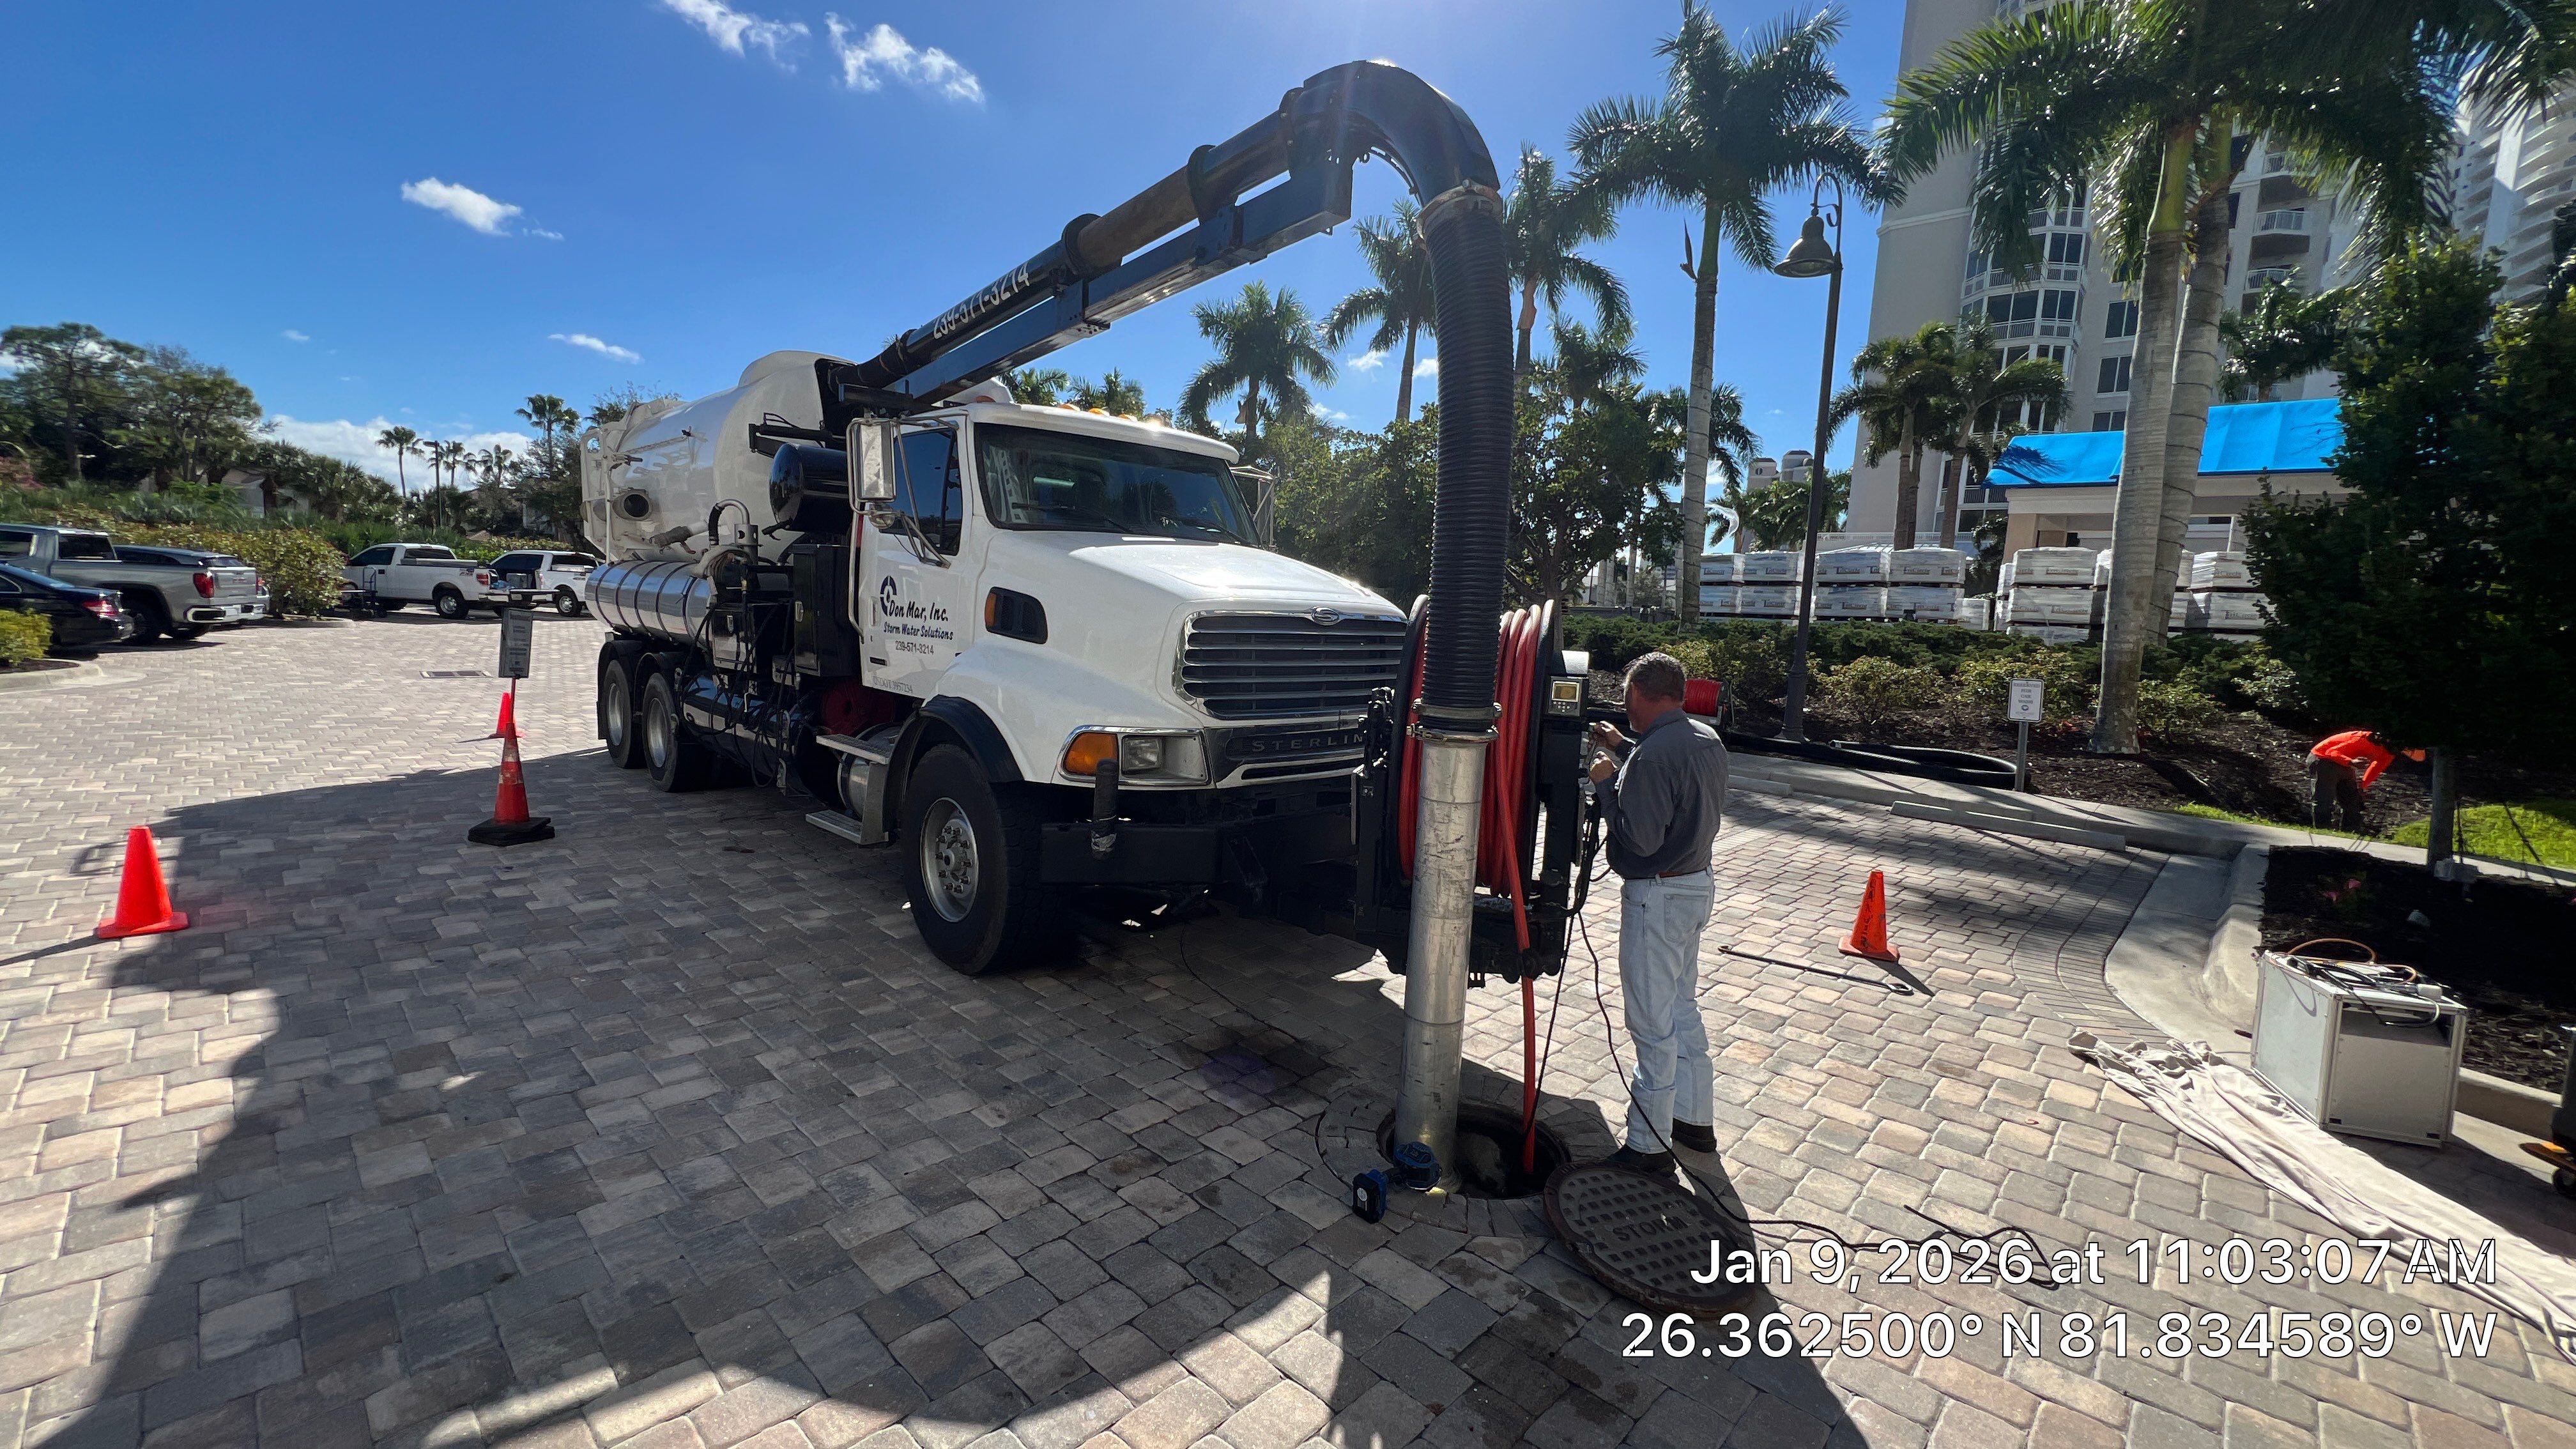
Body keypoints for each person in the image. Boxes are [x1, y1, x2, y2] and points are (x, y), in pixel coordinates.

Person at [1586, 651, 1729, 1177]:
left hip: (1658, 896)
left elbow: (1640, 839)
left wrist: (1605, 784)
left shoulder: (1652, 757)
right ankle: (1695, 1121)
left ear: (1637, 695)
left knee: (1651, 1022)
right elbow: (1664, 777)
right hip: (1696, 886)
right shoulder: (1702, 739)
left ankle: (1648, 1146)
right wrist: (1621, 750)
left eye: (1627, 699)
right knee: (1682, 1006)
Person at [2306, 729, 2423, 831]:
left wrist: (2363, 786)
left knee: (2353, 802)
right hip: (2323, 758)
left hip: (2345, 763)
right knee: (2325, 799)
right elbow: (2331, 752)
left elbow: (2375, 768)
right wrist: (2351, 762)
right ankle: (2322, 831)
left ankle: (2348, 832)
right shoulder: (2363, 740)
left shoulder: (2389, 753)